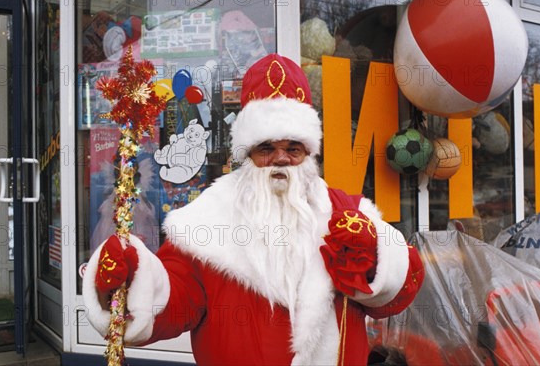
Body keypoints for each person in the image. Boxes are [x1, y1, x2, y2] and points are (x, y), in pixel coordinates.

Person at [83, 53, 424, 365]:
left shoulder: (345, 212)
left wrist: (373, 260)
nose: (280, 158)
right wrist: (134, 278)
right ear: (247, 154)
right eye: (266, 147)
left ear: (309, 154)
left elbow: (401, 290)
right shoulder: (204, 221)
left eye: (293, 148)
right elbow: (175, 302)